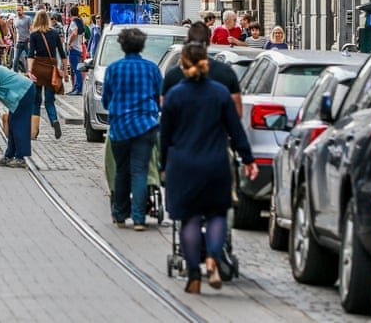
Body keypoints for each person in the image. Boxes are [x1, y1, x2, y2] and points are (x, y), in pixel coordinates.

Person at [160, 42, 257, 293]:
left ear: (182, 65)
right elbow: (236, 132)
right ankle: (213, 257)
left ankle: (194, 273)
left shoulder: (174, 96)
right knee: (216, 214)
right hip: (215, 163)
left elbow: (165, 137)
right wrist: (248, 160)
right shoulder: (219, 94)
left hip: (183, 165)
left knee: (189, 218)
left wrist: (163, 165)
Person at [101, 27, 162, 231]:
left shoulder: (113, 69)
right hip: (145, 127)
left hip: (120, 127)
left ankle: (119, 215)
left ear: (122, 45)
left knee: (122, 171)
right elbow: (158, 97)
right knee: (140, 171)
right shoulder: (152, 69)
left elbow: (106, 99)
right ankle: (138, 219)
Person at [162, 22, 242, 116]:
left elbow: (165, 112)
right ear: (209, 42)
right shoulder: (226, 72)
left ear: (188, 40)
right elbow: (237, 113)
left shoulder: (172, 75)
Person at [27, 10, 66, 140]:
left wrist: (29, 70)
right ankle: (54, 120)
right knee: (49, 101)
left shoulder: (34, 35)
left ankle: (33, 131)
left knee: (36, 101)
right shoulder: (54, 33)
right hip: (51, 69)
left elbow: (31, 55)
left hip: (38, 68)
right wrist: (64, 70)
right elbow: (62, 53)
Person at [66, 8, 89, 96]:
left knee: (76, 70)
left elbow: (74, 33)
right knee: (76, 69)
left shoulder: (73, 22)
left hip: (74, 48)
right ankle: (76, 88)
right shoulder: (80, 22)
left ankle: (78, 89)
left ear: (70, 13)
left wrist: (69, 42)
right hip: (79, 47)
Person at [12, 5, 32, 72]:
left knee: (30, 58)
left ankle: (32, 72)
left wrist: (30, 41)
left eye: (19, 10)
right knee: (15, 60)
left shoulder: (28, 18)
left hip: (27, 42)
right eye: (17, 10)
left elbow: (31, 30)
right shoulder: (15, 19)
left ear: (22, 10)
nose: (18, 11)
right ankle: (15, 74)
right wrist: (15, 42)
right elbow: (15, 31)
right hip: (19, 42)